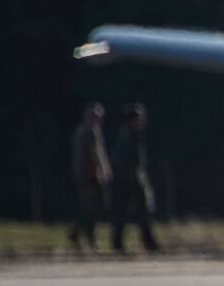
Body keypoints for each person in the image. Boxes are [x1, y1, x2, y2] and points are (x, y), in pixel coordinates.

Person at [108, 103, 162, 254]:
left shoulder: (129, 134)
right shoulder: (129, 136)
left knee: (137, 211)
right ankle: (142, 242)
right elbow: (129, 161)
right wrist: (138, 176)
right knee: (132, 211)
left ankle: (143, 241)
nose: (142, 120)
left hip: (130, 178)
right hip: (128, 179)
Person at [67, 103, 112, 251]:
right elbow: (96, 153)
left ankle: (78, 232)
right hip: (90, 175)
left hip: (82, 175)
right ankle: (87, 237)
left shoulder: (80, 131)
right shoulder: (91, 132)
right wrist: (104, 170)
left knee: (88, 207)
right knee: (94, 208)